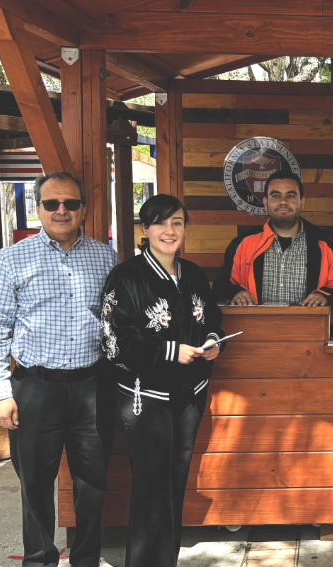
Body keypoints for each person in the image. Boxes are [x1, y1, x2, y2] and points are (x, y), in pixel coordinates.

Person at [0, 172, 118, 567]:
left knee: (93, 483)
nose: (61, 211)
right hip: (34, 387)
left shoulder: (105, 257)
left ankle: (86, 559)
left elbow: (116, 324)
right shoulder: (11, 258)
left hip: (93, 388)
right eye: (51, 204)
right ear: (38, 208)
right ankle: (40, 560)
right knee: (34, 483)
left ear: (83, 209)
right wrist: (0, 392)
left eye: (71, 203)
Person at [100, 195, 225, 567]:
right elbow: (114, 341)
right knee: (151, 483)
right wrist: (171, 351)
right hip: (147, 396)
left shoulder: (195, 274)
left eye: (177, 223)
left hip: (190, 394)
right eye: (160, 223)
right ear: (145, 229)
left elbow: (213, 318)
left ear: (186, 228)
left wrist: (213, 342)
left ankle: (165, 559)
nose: (169, 231)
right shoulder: (127, 276)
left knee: (176, 479)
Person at [213, 169, 333, 311]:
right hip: (254, 329)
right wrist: (236, 292)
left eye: (291, 195)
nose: (283, 201)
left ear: (302, 202)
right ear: (265, 202)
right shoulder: (242, 244)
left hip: (307, 330)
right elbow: (220, 287)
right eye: (276, 195)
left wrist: (324, 296)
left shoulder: (325, 246)